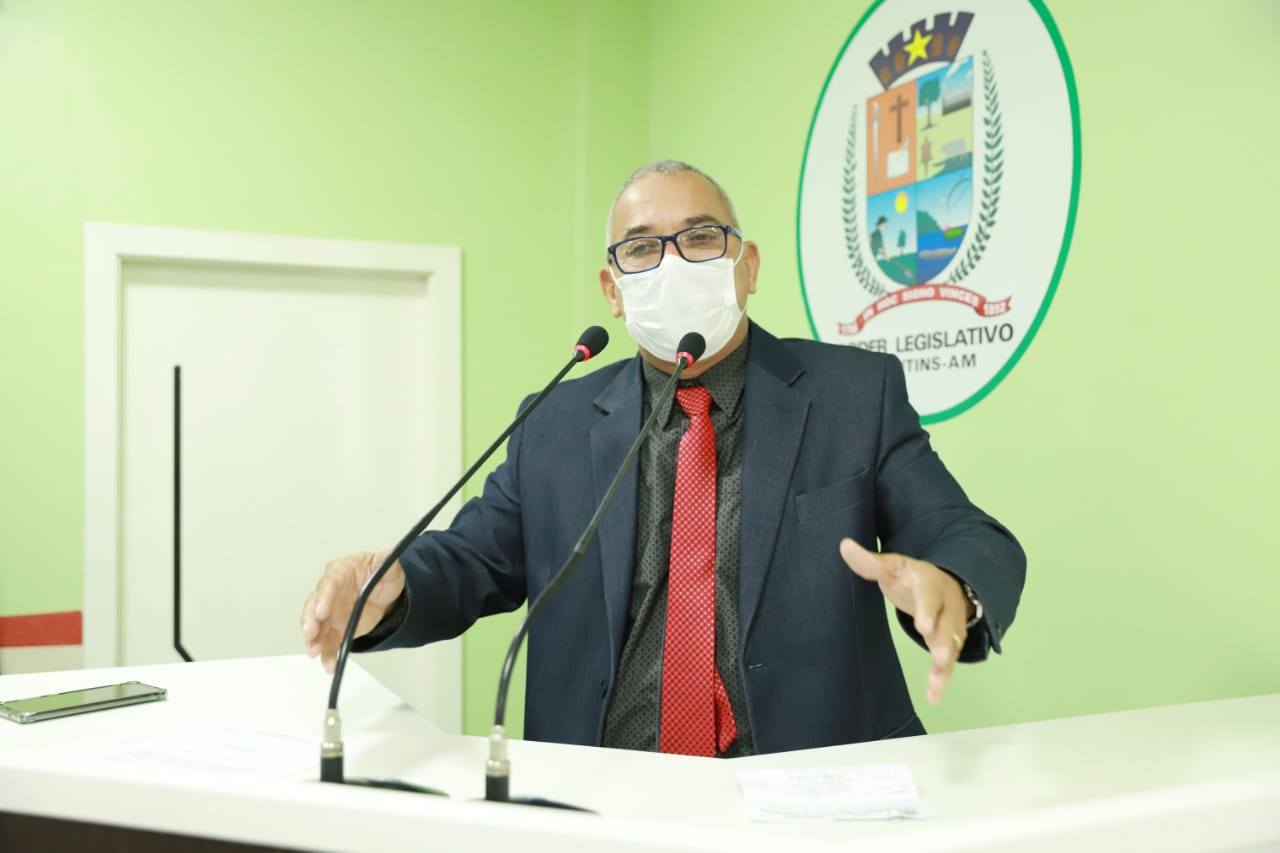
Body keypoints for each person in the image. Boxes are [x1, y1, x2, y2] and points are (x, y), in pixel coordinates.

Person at [301, 160, 1025, 757]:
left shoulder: (853, 395)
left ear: (747, 267)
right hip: (605, 797)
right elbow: (471, 560)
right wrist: (392, 584)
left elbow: (961, 531)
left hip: (808, 791)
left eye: (701, 238)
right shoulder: (554, 421)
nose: (672, 263)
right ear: (613, 291)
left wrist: (953, 585)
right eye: (642, 248)